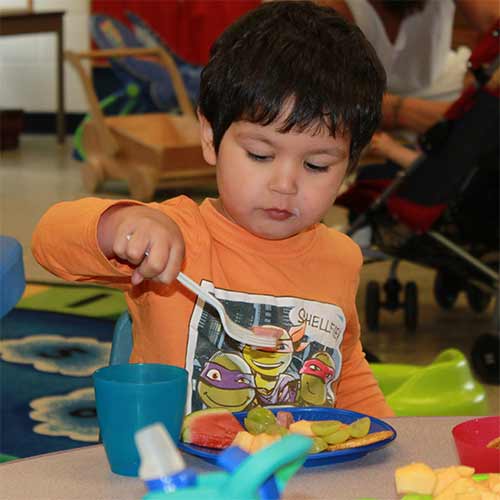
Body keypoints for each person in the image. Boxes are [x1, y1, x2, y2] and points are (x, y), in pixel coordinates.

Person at [32, 1, 393, 417]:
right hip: (175, 473)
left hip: (304, 476)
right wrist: (120, 224)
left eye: (317, 165)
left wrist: (385, 443)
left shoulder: (341, 258)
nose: (284, 184)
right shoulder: (177, 235)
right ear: (210, 138)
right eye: (259, 155)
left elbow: (345, 372)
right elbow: (49, 241)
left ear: (349, 166)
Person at [312, 0, 499, 135]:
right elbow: (333, 98)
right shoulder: (328, 8)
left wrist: (479, 63)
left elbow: (493, 19)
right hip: (364, 108)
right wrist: (404, 113)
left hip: (445, 82)